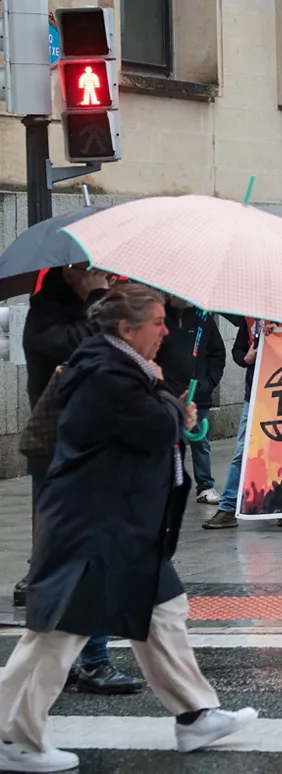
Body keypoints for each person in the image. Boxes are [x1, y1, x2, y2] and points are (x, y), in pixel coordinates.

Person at [0, 284, 256, 772]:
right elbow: (155, 429)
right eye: (156, 323)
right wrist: (172, 405)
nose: (165, 330)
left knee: (163, 612)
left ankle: (196, 715)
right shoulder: (105, 372)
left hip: (124, 523)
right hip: (94, 523)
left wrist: (165, 398)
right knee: (60, 630)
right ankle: (13, 735)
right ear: (126, 329)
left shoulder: (122, 366)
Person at [15, 266, 145, 696]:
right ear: (67, 274)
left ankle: (76, 661)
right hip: (59, 455)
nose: (100, 276)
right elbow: (87, 349)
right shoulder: (44, 318)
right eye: (88, 270)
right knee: (76, 560)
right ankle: (89, 661)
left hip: (95, 450)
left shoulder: (99, 310)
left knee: (80, 560)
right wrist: (95, 301)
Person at [203, 319, 278, 530]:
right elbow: (238, 351)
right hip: (254, 392)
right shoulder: (251, 319)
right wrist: (247, 358)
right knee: (242, 451)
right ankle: (228, 507)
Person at [155, 297, 226, 503]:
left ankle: (205, 486)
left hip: (197, 392)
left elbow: (217, 354)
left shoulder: (203, 318)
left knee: (200, 441)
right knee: (167, 441)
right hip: (167, 393)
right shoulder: (160, 316)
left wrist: (208, 383)